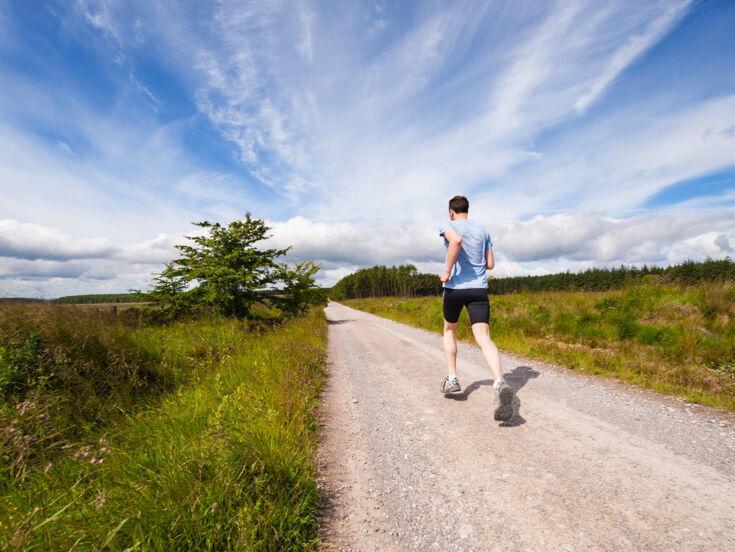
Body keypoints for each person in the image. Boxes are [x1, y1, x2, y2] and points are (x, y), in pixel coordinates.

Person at [439, 195, 514, 421]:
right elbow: (490, 264)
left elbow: (456, 241)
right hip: (479, 290)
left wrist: (446, 271)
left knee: (450, 330)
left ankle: (452, 379)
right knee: (483, 337)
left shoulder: (448, 226)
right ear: (467, 210)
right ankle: (499, 382)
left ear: (451, 211)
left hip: (455, 289)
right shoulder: (483, 231)